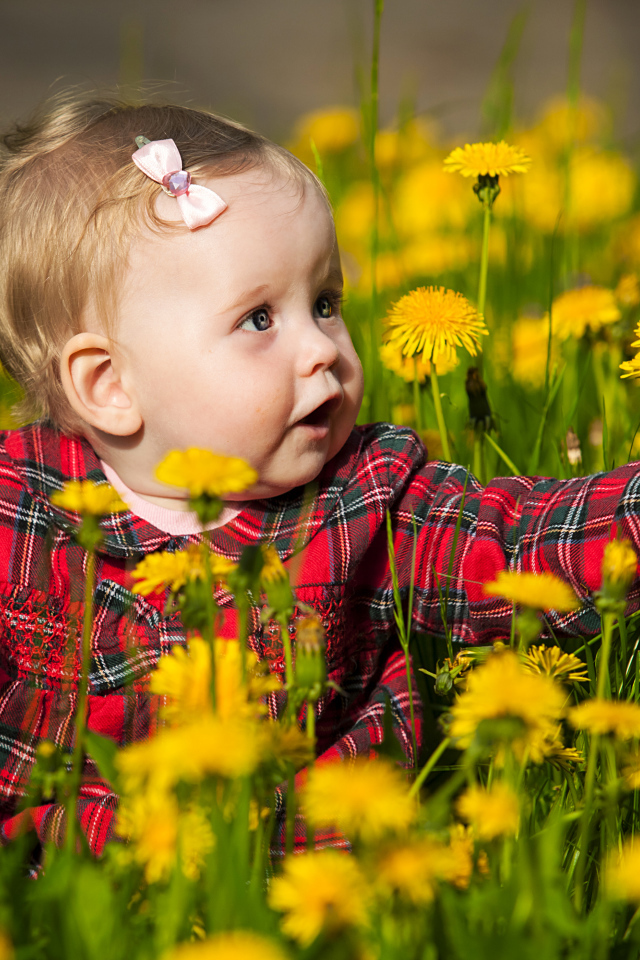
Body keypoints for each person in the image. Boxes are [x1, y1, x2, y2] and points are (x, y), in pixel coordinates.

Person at [0, 93, 637, 859]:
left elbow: (522, 539)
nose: (323, 350)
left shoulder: (363, 497)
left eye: (325, 302)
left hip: (321, 885)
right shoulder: (21, 512)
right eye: (259, 320)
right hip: (69, 895)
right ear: (108, 384)